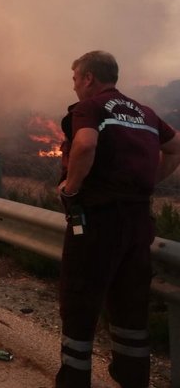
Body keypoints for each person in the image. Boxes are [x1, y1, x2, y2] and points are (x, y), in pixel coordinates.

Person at [55, 51, 180, 388]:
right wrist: (150, 181)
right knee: (130, 299)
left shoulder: (90, 107)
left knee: (80, 297)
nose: (75, 86)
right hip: (139, 223)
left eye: (75, 79)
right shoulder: (145, 112)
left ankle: (73, 380)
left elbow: (83, 145)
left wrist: (70, 189)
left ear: (89, 78)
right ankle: (131, 375)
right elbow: (176, 146)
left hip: (98, 221)